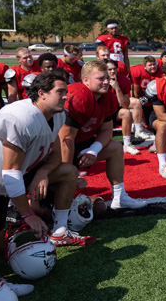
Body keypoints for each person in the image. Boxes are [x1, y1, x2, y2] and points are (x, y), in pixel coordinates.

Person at [0, 71, 96, 253]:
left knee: (68, 171)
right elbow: (10, 172)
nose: (66, 96)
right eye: (60, 91)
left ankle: (60, 232)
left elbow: (56, 153)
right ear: (41, 93)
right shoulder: (20, 117)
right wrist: (28, 215)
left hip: (20, 173)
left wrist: (44, 172)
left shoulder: (57, 115)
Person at [58, 61, 146, 209]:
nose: (106, 82)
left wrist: (94, 149)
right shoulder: (77, 96)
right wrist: (71, 174)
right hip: (56, 150)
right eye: (100, 78)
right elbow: (65, 139)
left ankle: (120, 196)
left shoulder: (107, 97)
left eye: (107, 78)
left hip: (79, 143)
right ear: (86, 80)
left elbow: (106, 130)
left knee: (116, 147)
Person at [104, 59, 153, 155]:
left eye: (114, 69)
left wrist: (117, 88)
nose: (112, 71)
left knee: (127, 111)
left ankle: (127, 144)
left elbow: (125, 105)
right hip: (101, 112)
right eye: (109, 69)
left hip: (114, 109)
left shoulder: (122, 80)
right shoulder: (99, 81)